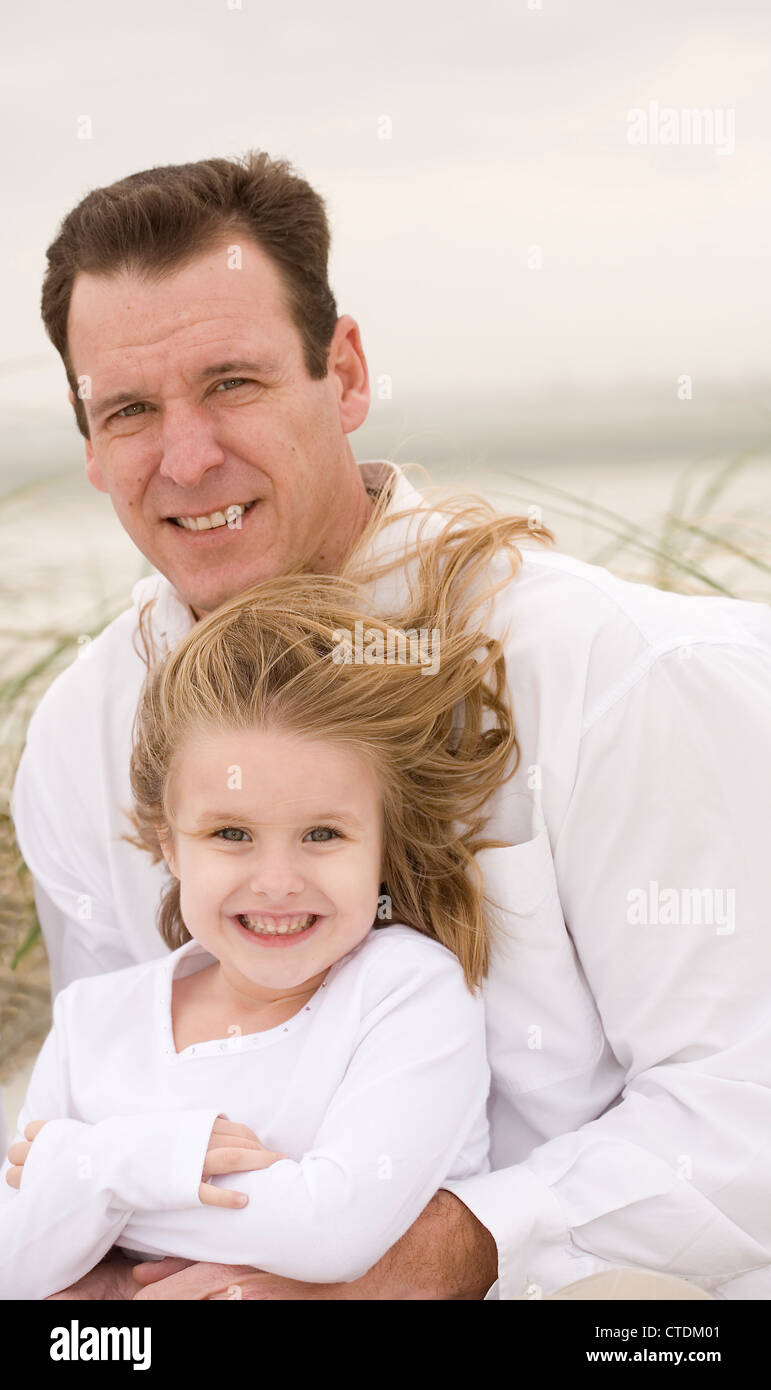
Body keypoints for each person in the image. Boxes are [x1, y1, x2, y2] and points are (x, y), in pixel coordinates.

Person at [8, 151, 771, 1301]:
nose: (188, 457)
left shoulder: (618, 675)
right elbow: (109, 1105)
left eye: (233, 383)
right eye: (129, 410)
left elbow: (744, 1117)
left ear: (347, 374)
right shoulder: (82, 737)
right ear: (87, 440)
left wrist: (414, 1266)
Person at [0, 554, 523, 1300]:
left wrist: (87, 1173)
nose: (277, 881)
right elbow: (12, 1262)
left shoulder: (406, 992)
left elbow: (329, 1234)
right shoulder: (93, 1021)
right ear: (167, 841)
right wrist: (144, 1164)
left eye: (322, 835)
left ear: (383, 845)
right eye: (232, 834)